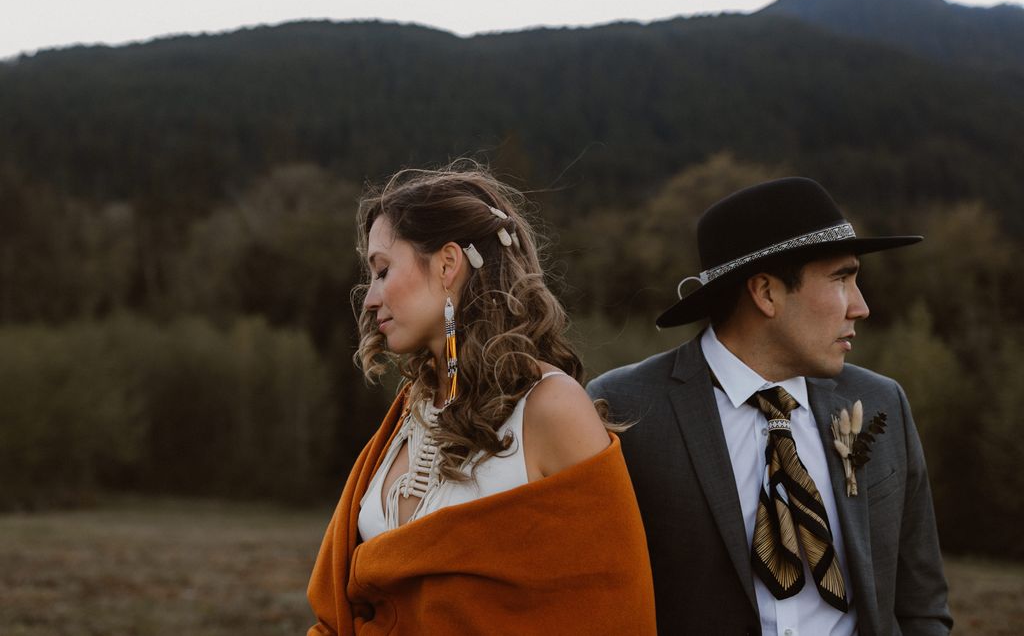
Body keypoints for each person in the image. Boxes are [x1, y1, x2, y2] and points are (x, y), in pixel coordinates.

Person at [588, 177, 952, 636]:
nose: (860, 306)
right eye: (842, 279)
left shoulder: (882, 402)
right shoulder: (625, 407)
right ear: (765, 293)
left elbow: (921, 603)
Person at [307, 162, 656, 635]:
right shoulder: (412, 407)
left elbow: (615, 612)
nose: (370, 299)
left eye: (383, 270)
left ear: (448, 264)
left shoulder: (551, 408)